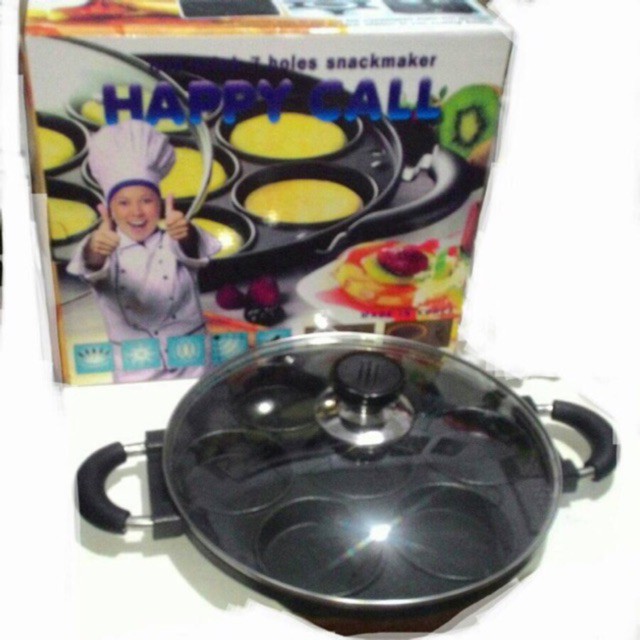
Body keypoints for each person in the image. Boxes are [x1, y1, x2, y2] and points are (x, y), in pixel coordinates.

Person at [67, 120, 220, 382]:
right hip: (135, 371)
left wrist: (186, 232)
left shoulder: (174, 239)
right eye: (124, 203)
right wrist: (95, 248)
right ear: (109, 209)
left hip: (194, 366)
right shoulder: (104, 246)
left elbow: (193, 249)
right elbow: (91, 265)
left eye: (146, 201)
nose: (136, 212)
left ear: (160, 204)